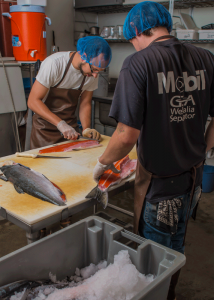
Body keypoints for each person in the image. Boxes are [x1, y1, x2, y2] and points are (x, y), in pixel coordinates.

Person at [92, 2, 214, 299]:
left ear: (135, 32)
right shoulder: (206, 58)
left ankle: (157, 294)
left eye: (132, 40)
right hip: (193, 175)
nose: (134, 46)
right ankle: (169, 292)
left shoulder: (139, 63)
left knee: (155, 251)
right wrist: (204, 149)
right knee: (177, 242)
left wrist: (103, 162)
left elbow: (126, 133)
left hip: (160, 185)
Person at [28, 36, 112, 149]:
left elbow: (85, 103)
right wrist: (60, 124)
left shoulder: (91, 73)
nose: (95, 75)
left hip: (71, 132)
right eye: (94, 70)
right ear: (84, 57)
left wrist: (86, 129)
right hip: (45, 130)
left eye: (99, 71)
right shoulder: (54, 64)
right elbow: (33, 101)